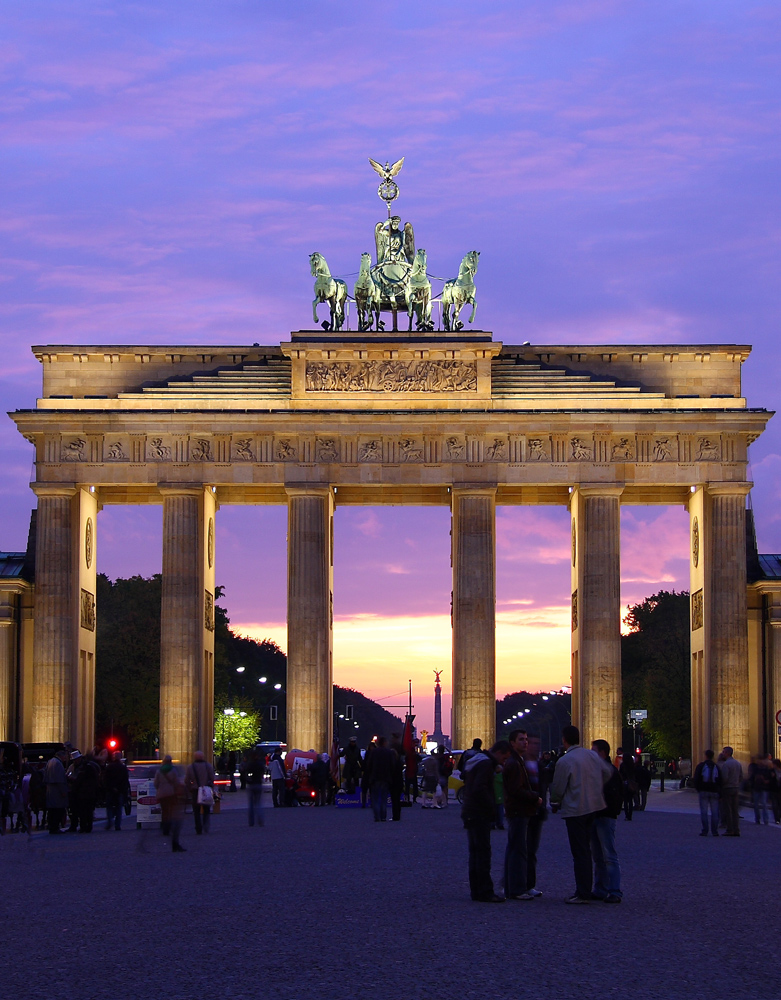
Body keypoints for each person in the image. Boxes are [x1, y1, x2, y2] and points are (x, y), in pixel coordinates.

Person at [550, 725, 610, 904]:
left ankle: (582, 892)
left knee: (580, 852)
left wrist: (555, 802)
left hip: (575, 809)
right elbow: (607, 772)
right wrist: (595, 787)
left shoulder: (565, 761)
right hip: (593, 807)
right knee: (588, 849)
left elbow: (558, 788)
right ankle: (590, 888)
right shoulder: (591, 755)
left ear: (564, 740)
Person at [461, 740, 511, 902]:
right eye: (504, 758)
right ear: (499, 752)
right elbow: (480, 787)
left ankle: (476, 890)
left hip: (470, 810)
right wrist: (492, 807)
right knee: (483, 852)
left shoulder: (476, 761)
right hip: (479, 812)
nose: (503, 763)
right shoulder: (486, 764)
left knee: (475, 853)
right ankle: (485, 891)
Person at [502, 730, 542, 900]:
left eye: (526, 739)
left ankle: (519, 886)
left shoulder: (519, 761)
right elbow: (515, 790)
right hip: (518, 810)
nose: (525, 742)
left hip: (522, 810)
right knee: (518, 850)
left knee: (518, 849)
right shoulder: (514, 763)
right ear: (512, 743)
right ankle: (517, 889)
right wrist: (535, 797)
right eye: (521, 740)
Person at [590, 740, 623, 903]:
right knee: (597, 856)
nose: (591, 753)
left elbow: (615, 796)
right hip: (595, 816)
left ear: (602, 752)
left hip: (605, 816)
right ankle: (600, 888)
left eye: (593, 750)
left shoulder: (610, 771)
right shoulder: (595, 770)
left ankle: (615, 890)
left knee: (609, 855)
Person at [154, 755, 185, 852]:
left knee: (164, 811)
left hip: (162, 794)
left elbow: (156, 783)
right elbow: (176, 782)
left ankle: (165, 828)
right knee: (171, 811)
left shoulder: (159, 771)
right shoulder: (173, 770)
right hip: (171, 793)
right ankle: (171, 827)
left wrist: (160, 788)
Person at [365, 736, 396, 822]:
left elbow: (369, 764)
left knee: (375, 799)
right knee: (383, 798)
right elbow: (392, 765)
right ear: (385, 743)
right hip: (385, 778)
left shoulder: (373, 752)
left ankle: (377, 816)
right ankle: (383, 816)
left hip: (375, 778)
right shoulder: (389, 752)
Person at [186, 750, 216, 834]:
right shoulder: (208, 766)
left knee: (196, 811)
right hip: (206, 789)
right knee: (206, 810)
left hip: (195, 790)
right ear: (203, 757)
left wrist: (190, 788)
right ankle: (206, 825)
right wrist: (211, 787)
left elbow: (187, 780)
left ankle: (198, 828)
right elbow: (212, 778)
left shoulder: (190, 767)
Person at [693, 749, 721, 837]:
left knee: (704, 811)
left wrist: (698, 788)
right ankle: (714, 830)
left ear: (705, 756)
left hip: (704, 790)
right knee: (715, 812)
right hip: (714, 790)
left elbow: (696, 778)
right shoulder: (716, 766)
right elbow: (720, 780)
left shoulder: (701, 766)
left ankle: (705, 830)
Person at [44, 748, 69, 835]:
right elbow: (60, 780)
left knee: (51, 810)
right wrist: (63, 791)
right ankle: (55, 827)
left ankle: (52, 826)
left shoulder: (50, 761)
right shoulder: (58, 764)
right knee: (58, 810)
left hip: (50, 789)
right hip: (57, 790)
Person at [104, 751, 130, 831]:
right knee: (119, 808)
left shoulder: (109, 767)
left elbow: (106, 779)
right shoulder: (122, 767)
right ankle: (117, 824)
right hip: (120, 790)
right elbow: (125, 780)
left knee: (109, 807)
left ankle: (110, 821)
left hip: (111, 790)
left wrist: (111, 787)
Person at [719, 746, 743, 836]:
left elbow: (724, 778)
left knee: (728, 810)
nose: (722, 753)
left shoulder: (726, 764)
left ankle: (730, 829)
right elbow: (741, 776)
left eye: (724, 752)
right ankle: (736, 829)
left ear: (728, 753)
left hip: (728, 788)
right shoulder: (737, 763)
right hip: (736, 787)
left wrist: (722, 786)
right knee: (735, 810)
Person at [748, 755, 773, 825]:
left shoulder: (766, 769)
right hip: (757, 788)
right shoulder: (755, 768)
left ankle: (765, 819)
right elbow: (752, 778)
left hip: (763, 788)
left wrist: (765, 780)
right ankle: (758, 818)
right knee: (757, 804)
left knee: (764, 804)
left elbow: (770, 779)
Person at [245, 750, 265, 827]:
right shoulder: (260, 764)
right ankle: (260, 820)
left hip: (251, 784)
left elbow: (245, 773)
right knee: (259, 803)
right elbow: (262, 772)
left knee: (251, 804)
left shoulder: (250, 764)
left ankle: (251, 821)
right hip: (258, 783)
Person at [619, 753, 636, 822]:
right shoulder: (632, 765)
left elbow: (620, 774)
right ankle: (630, 815)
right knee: (630, 800)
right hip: (631, 783)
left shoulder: (623, 765)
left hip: (625, 783)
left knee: (625, 800)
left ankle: (626, 815)